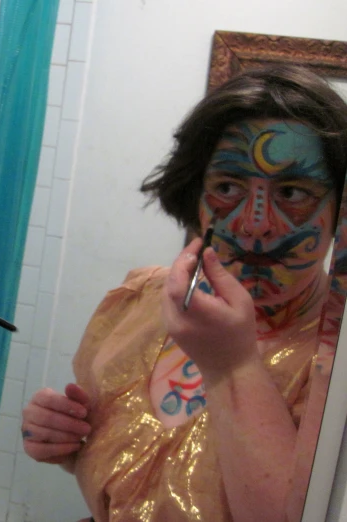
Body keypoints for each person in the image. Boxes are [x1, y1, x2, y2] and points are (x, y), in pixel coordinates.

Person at [21, 65, 347, 522]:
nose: (255, 225)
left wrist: (232, 364)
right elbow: (124, 468)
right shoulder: (138, 301)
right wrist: (57, 437)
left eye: (292, 191)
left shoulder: (336, 362)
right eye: (228, 187)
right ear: (196, 194)